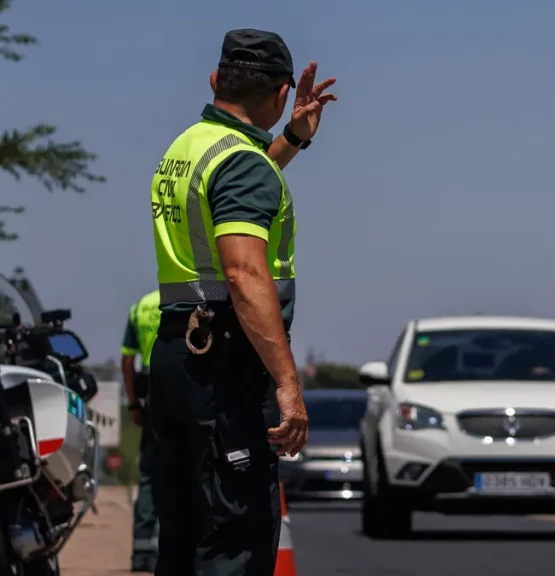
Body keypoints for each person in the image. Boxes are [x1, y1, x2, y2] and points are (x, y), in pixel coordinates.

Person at [147, 29, 335, 575]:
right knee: (235, 539)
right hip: (226, 367)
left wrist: (293, 138)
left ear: (215, 81)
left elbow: (240, 183)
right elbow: (244, 272)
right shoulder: (243, 165)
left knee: (183, 536)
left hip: (178, 359)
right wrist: (288, 384)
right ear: (281, 95)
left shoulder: (190, 146)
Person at [120, 289, 163, 572]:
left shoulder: (140, 306)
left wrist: (133, 403)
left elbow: (127, 360)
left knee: (148, 474)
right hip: (177, 384)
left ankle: (140, 553)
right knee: (180, 471)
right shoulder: (188, 300)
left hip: (148, 389)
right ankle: (167, 549)